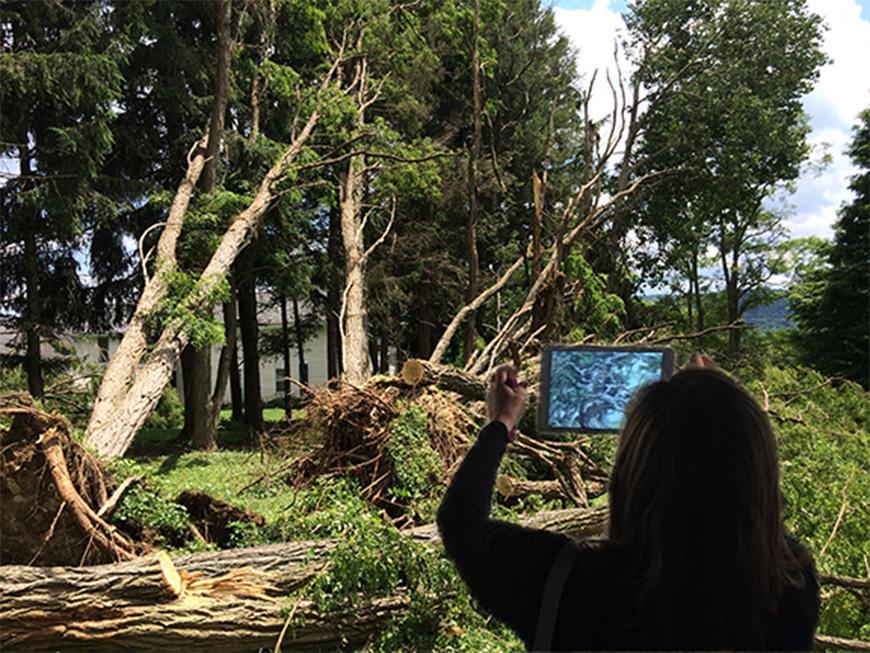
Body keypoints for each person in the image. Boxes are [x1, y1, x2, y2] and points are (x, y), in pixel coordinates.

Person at [437, 355, 819, 651]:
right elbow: (746, 508)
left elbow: (459, 520)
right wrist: (718, 406)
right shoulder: (789, 590)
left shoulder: (561, 580)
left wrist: (501, 422)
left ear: (627, 476)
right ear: (760, 477)